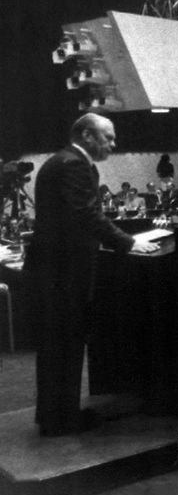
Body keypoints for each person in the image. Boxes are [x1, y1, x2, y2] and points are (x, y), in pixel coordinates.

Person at [26, 113, 159, 436]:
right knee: (64, 345)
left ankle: (56, 415)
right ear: (87, 135)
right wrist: (127, 242)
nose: (113, 144)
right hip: (63, 275)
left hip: (57, 271)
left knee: (59, 347)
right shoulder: (72, 164)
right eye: (108, 137)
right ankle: (61, 420)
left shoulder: (67, 161)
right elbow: (84, 214)